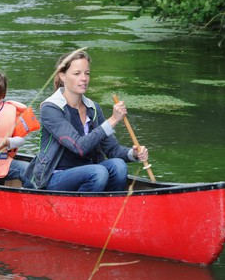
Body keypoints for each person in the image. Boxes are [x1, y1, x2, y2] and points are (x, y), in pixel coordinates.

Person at [23, 49, 148, 192]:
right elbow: (79, 147)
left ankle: (109, 208)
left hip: (89, 171)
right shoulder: (51, 108)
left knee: (119, 165)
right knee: (98, 172)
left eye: (87, 73)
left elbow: (112, 149)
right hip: (53, 177)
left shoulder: (93, 108)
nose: (84, 78)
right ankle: (86, 211)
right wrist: (113, 120)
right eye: (77, 74)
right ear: (62, 76)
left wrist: (134, 154)